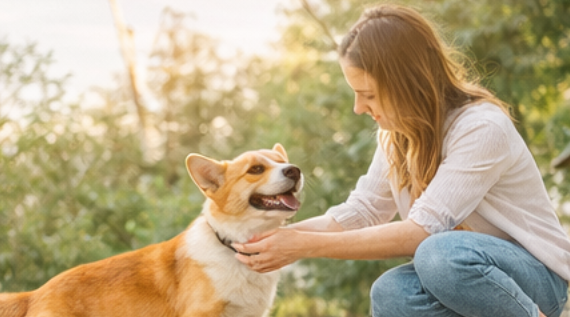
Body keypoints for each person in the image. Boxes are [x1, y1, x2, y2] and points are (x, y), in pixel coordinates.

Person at [232, 4, 570, 317]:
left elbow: (422, 232)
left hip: (536, 277)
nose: (358, 108)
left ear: (408, 83)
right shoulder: (396, 136)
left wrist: (303, 245)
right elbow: (362, 212)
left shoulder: (481, 127)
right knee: (391, 292)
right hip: (466, 276)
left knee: (438, 254)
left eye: (369, 95)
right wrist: (259, 239)